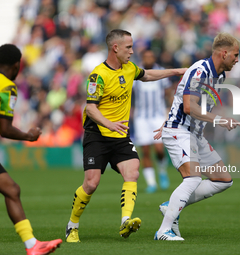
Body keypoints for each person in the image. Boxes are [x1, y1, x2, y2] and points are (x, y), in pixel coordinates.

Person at [65, 29, 186, 242]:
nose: (132, 51)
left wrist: (176, 71)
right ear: (116, 48)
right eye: (129, 47)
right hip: (98, 134)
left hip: (120, 135)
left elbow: (147, 74)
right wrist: (109, 123)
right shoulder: (98, 75)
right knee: (91, 184)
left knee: (132, 173)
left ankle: (125, 222)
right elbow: (91, 108)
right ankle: (72, 225)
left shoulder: (129, 69)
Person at [153, 33, 240, 241]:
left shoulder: (219, 76)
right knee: (192, 178)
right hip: (180, 131)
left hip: (195, 134)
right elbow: (189, 106)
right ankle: (163, 231)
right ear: (224, 53)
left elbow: (187, 100)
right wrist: (219, 120)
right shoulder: (201, 71)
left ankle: (172, 206)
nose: (237, 59)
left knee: (223, 180)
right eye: (235, 55)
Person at [0, 44, 62, 254]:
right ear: (17, 65)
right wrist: (29, 136)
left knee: (11, 189)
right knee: (12, 189)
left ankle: (32, 245)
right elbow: (5, 129)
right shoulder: (6, 87)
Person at [133, 49, 171, 193]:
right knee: (145, 151)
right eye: (146, 56)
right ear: (143, 58)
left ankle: (162, 170)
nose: (148, 58)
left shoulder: (161, 72)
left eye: (151, 56)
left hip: (157, 116)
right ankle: (151, 183)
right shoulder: (136, 72)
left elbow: (168, 93)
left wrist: (170, 110)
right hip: (141, 117)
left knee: (159, 149)